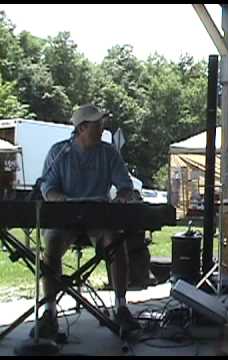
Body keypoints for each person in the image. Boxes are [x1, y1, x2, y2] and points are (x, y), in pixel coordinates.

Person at [33, 104, 140, 339]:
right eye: (97, 124)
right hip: (64, 219)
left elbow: (125, 186)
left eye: (102, 123)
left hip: (99, 218)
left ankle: (120, 306)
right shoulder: (59, 152)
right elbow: (47, 188)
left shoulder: (109, 152)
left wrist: (122, 200)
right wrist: (64, 202)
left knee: (116, 242)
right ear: (81, 128)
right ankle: (49, 313)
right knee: (50, 246)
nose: (102, 127)